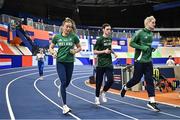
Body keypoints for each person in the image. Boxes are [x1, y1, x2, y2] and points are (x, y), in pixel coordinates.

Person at [120, 16, 160, 112]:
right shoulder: (139, 32)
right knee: (136, 80)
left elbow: (147, 47)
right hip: (139, 61)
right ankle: (125, 87)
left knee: (149, 80)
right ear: (148, 23)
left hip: (148, 61)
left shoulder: (151, 33)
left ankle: (152, 101)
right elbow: (132, 43)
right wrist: (143, 47)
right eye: (153, 22)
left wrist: (151, 48)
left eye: (155, 22)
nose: (155, 24)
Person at [49, 17, 81, 114]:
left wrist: (75, 50)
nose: (68, 29)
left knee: (67, 83)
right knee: (63, 82)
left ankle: (61, 88)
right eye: (67, 27)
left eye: (70, 27)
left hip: (70, 62)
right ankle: (65, 106)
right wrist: (53, 52)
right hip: (60, 62)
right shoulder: (57, 37)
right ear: (62, 27)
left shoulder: (74, 37)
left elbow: (79, 47)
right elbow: (51, 47)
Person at [93, 23, 117, 105]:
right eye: (107, 29)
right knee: (99, 82)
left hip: (109, 63)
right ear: (103, 30)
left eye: (110, 29)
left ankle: (103, 92)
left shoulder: (110, 38)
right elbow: (95, 51)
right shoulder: (99, 39)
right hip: (100, 64)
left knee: (111, 80)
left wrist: (114, 53)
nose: (109, 31)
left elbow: (110, 48)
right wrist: (104, 51)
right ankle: (96, 98)